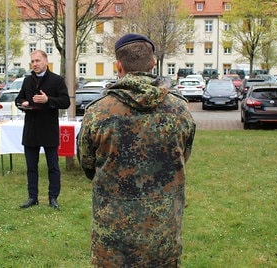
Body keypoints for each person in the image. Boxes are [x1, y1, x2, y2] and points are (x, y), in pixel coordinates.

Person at [77, 33, 196, 267]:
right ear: (153, 63)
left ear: (118, 66)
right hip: (162, 234)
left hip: (113, 237)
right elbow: (183, 157)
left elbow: (87, 165)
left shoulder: (98, 112)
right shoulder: (180, 109)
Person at [15, 50, 70, 210]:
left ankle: (53, 198)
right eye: (32, 61)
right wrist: (23, 103)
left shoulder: (57, 80)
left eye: (38, 61)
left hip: (48, 129)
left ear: (46, 61)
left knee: (53, 166)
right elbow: (19, 99)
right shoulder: (27, 81)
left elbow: (65, 101)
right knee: (31, 167)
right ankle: (32, 197)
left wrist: (48, 100)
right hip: (31, 129)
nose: (35, 64)